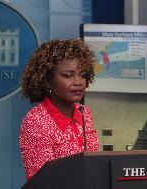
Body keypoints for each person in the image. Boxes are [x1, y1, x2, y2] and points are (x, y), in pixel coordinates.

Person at [19, 39, 99, 180]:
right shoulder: (35, 121)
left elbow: (95, 164)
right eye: (68, 75)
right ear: (47, 80)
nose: (78, 82)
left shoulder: (84, 112)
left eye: (83, 75)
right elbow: (42, 182)